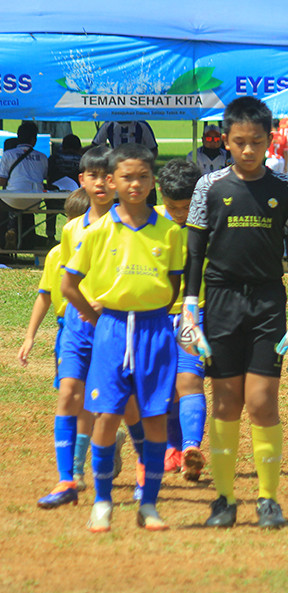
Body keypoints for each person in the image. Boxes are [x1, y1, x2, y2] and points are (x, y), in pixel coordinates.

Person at [181, 96, 288, 530]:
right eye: (240, 142)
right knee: (226, 401)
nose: (249, 150)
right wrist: (190, 307)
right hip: (219, 303)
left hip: (268, 303)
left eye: (257, 141)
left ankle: (269, 500)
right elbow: (195, 252)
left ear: (271, 140)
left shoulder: (285, 189)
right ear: (226, 142)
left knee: (261, 402)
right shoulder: (209, 187)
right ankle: (224, 498)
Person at [62, 143, 185, 533]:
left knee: (154, 418)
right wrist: (93, 315)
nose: (135, 184)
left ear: (153, 182)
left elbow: (175, 281)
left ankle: (148, 504)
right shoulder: (97, 230)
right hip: (112, 329)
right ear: (112, 181)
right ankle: (101, 501)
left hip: (154, 330)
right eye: (126, 177)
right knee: (107, 415)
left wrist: (156, 311)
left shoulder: (170, 231)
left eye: (143, 177)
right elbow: (68, 284)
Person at [19, 188, 87, 503]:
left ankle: (82, 461)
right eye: (71, 222)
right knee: (70, 395)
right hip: (66, 330)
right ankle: (71, 472)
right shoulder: (56, 254)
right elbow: (45, 295)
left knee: (92, 399)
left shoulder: (101, 248)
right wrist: (30, 335)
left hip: (98, 328)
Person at [155, 159, 209, 482]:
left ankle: (191, 448)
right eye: (172, 206)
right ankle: (172, 448)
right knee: (162, 387)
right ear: (161, 196)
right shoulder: (151, 224)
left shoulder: (209, 224)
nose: (179, 213)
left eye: (186, 207)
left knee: (188, 381)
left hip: (195, 314)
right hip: (155, 317)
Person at [0, 121, 48, 249]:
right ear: (34, 140)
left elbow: (2, 181)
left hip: (12, 200)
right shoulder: (43, 157)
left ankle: (6, 235)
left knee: (7, 204)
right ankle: (25, 239)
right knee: (23, 208)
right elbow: (43, 178)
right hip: (35, 202)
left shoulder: (8, 155)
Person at [44, 134, 83, 246]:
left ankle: (50, 236)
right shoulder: (82, 160)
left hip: (54, 199)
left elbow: (48, 177)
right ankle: (78, 237)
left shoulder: (54, 158)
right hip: (77, 199)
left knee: (50, 209)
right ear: (79, 148)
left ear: (63, 147)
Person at [90, 120, 158, 158]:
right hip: (115, 164)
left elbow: (153, 149)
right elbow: (95, 145)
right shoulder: (108, 125)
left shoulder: (141, 125)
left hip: (137, 163)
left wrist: (146, 164)